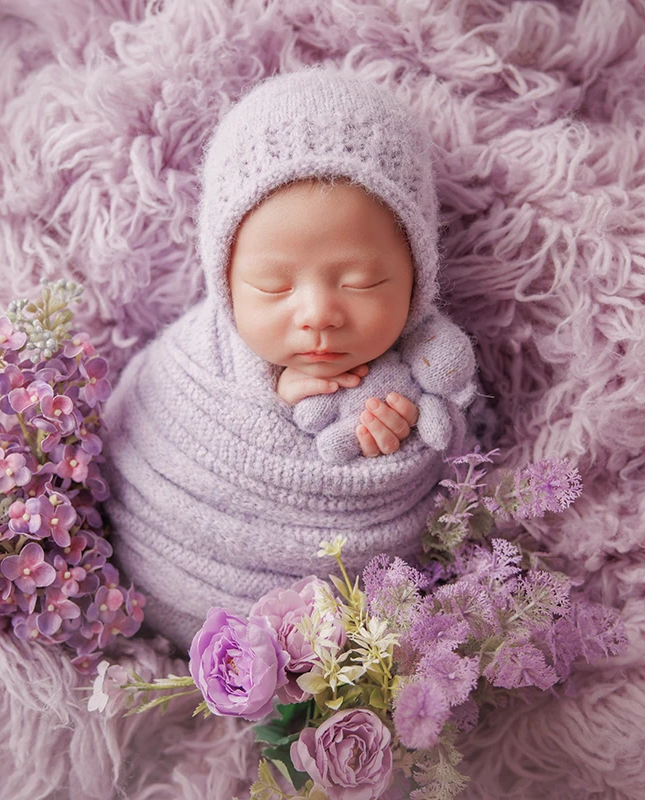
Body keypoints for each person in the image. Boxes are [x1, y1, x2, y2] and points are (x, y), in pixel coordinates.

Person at [102, 66, 478, 652]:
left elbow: (452, 464)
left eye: (361, 281)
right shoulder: (189, 367)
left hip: (336, 655)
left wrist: (395, 439)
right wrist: (276, 394)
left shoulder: (427, 371)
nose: (318, 313)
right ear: (225, 280)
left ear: (417, 275)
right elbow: (139, 451)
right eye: (274, 286)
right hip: (152, 597)